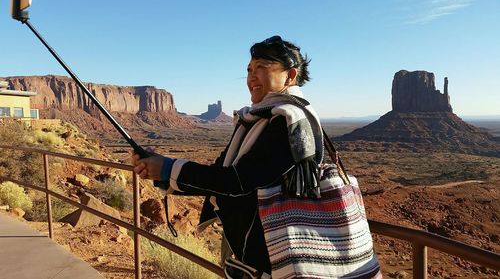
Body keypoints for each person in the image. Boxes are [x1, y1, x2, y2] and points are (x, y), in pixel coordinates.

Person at [132, 36, 381, 278]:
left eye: (261, 68)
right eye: (249, 69)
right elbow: (219, 173)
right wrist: (162, 170)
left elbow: (239, 182)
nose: (251, 77)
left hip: (271, 254)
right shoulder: (258, 119)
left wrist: (168, 169)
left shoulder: (289, 121)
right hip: (251, 252)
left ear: (290, 75)